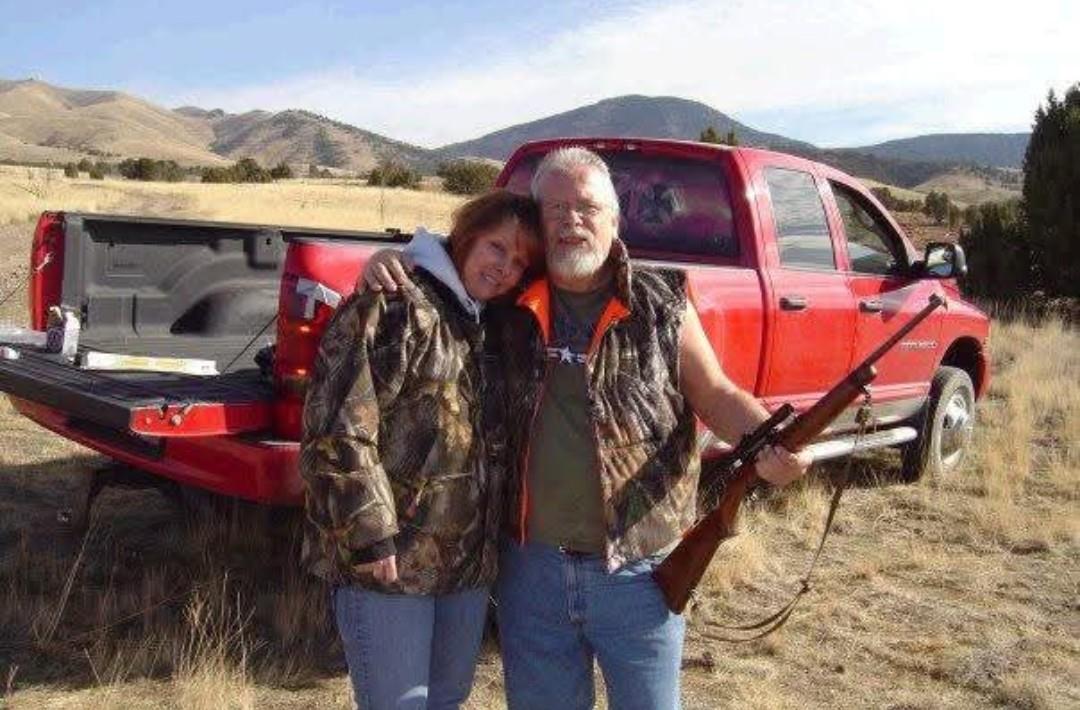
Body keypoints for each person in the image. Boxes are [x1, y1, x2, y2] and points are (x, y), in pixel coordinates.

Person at [361, 147, 812, 710]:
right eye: (555, 209)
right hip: (531, 572)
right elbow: (449, 266)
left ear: (615, 220)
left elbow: (716, 393)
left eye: (587, 208)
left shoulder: (661, 302)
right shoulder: (506, 299)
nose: (571, 220)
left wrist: (776, 440)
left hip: (639, 569)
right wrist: (390, 259)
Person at [300, 189, 543, 710]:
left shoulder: (495, 323)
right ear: (468, 235)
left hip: (466, 568)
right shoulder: (393, 304)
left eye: (520, 262)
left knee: (446, 699)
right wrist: (369, 536)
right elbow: (337, 428)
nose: (504, 268)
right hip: (391, 567)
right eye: (497, 247)